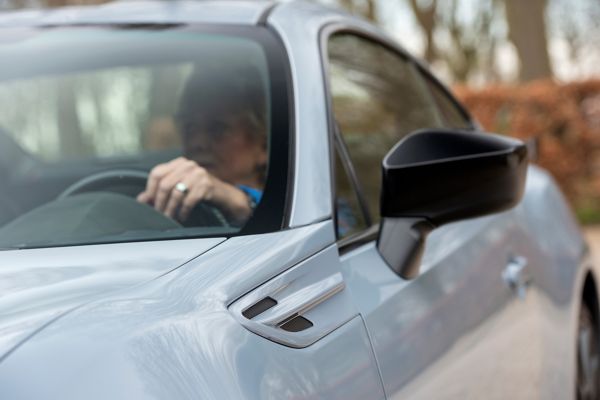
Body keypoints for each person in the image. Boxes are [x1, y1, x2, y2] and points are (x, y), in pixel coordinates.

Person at [137, 64, 268, 227]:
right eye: (189, 128)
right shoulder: (168, 197)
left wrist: (241, 202)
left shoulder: (296, 205)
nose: (197, 142)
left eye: (218, 129)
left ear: (263, 146)